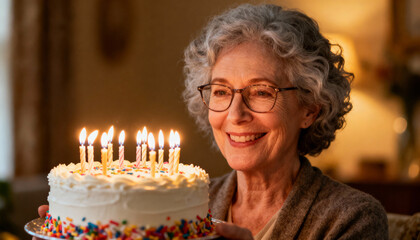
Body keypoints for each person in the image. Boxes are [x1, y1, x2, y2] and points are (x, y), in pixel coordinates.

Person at [36, 3, 388, 239]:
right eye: (221, 92)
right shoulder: (179, 205)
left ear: (310, 108)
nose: (235, 114)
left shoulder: (351, 218)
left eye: (262, 92)